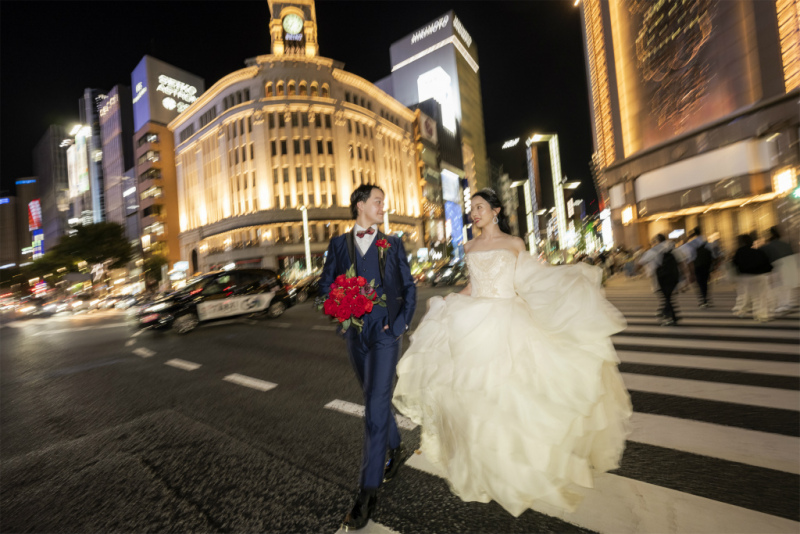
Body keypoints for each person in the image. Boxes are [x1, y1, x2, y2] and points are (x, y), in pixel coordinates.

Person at [392, 188, 632, 517]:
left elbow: (528, 281)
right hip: (474, 321)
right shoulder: (469, 246)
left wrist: (556, 297)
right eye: (472, 208)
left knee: (513, 393)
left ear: (496, 211)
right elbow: (473, 285)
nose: (474, 213)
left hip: (509, 317)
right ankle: (485, 462)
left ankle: (520, 461)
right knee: (476, 396)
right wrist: (450, 300)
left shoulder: (514, 243)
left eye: (480, 207)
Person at [318, 184, 417, 531]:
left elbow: (409, 287)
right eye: (377, 201)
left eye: (383, 202)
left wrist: (399, 325)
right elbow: (325, 286)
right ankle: (396, 446)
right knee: (373, 397)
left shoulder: (393, 244)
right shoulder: (338, 245)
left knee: (375, 407)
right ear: (360, 205)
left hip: (386, 334)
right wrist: (338, 305)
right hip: (355, 334)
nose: (383, 206)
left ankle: (367, 492)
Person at [639, 234, 681, 326]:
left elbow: (641, 262)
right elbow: (682, 261)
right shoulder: (673, 247)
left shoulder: (654, 250)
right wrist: (687, 275)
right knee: (668, 297)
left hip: (662, 277)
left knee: (666, 298)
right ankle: (669, 314)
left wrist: (635, 271)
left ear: (657, 241)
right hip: (674, 275)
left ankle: (669, 316)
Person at [731, 233, 773, 322]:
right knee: (761, 296)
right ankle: (762, 315)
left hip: (747, 277)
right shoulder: (758, 252)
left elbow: (735, 264)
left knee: (749, 295)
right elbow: (767, 263)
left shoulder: (739, 252)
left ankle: (745, 311)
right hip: (760, 275)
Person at [760, 226, 797, 314]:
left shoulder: (768, 246)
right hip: (788, 265)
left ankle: (782, 304)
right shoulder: (785, 244)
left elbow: (765, 258)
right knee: (786, 286)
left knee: (778, 286)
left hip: (776, 267)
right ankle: (787, 303)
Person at [684, 227, 717, 307]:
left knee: (699, 283)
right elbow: (712, 254)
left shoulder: (692, 243)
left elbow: (685, 246)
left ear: (694, 233)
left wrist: (689, 237)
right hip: (706, 266)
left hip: (697, 266)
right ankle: (705, 298)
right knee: (705, 283)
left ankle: (703, 300)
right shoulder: (705, 240)